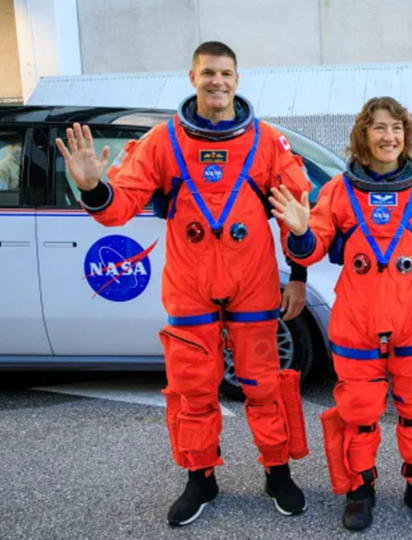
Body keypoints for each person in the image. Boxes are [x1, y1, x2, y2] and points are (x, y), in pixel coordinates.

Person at [55, 41, 313, 527]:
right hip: (191, 285)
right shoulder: (162, 142)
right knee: (192, 389)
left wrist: (298, 274)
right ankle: (201, 478)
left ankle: (277, 472)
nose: (218, 82)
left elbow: (299, 221)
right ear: (192, 77)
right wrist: (92, 185)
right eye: (209, 73)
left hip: (253, 284)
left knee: (264, 386)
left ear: (238, 79)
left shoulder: (267, 143)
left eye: (227, 74)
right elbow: (118, 208)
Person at [270, 96, 412, 530]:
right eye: (379, 127)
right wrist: (301, 231)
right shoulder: (339, 192)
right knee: (358, 415)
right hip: (357, 324)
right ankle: (360, 489)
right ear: (364, 134)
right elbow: (314, 243)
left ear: (406, 135)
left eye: (396, 127)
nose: (388, 136)